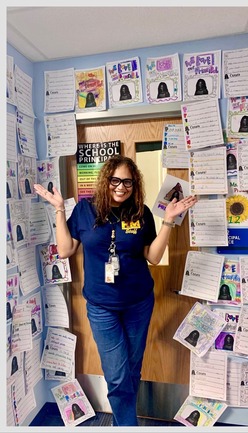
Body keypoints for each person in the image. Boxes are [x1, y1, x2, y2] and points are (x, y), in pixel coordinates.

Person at [33, 155, 197, 426]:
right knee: (117, 373)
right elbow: (65, 250)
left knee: (132, 367)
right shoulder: (85, 211)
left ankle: (125, 419)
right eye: (116, 180)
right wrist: (59, 210)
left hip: (139, 303)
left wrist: (168, 220)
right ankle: (127, 426)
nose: (121, 187)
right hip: (101, 307)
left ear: (135, 185)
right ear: (106, 180)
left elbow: (153, 257)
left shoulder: (141, 213)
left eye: (128, 182)